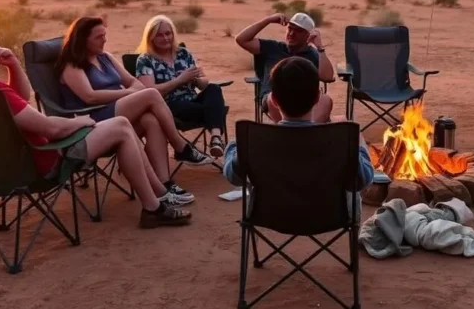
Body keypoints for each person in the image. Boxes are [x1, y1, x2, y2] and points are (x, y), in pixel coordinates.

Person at [0, 17, 191, 228]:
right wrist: (82, 121)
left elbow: (20, 98)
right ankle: (154, 207)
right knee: (123, 126)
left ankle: (159, 195)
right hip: (42, 162)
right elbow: (51, 128)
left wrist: (13, 64)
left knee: (126, 124)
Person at [55, 17, 212, 204]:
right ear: (83, 39)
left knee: (151, 121)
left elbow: (134, 83)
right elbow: (89, 96)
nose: (104, 40)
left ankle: (164, 184)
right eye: (99, 37)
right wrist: (127, 93)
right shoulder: (72, 65)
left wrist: (129, 92)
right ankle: (180, 147)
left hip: (117, 111)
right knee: (152, 94)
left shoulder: (105, 58)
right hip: (94, 119)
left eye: (104, 35)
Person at [222, 56, 374, 212]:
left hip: (271, 216)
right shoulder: (341, 138)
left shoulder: (254, 139)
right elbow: (362, 180)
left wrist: (235, 144)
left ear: (273, 100)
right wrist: (358, 142)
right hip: (329, 217)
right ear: (317, 97)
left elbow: (234, 176)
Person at [134, 15, 228, 158]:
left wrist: (197, 79)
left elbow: (203, 84)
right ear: (151, 37)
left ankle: (216, 139)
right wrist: (180, 80)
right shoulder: (145, 60)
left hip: (192, 100)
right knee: (215, 109)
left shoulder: (184, 53)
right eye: (159, 35)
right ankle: (212, 122)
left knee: (214, 89)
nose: (165, 38)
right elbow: (149, 91)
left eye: (168, 33)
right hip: (168, 106)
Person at [234, 11, 334, 123]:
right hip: (274, 98)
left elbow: (327, 77)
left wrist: (320, 47)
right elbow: (241, 39)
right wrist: (268, 20)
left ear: (308, 35)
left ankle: (305, 132)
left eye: (298, 31)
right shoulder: (272, 48)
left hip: (304, 100)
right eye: (290, 28)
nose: (291, 33)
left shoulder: (314, 55)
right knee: (274, 97)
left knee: (325, 100)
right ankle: (295, 132)